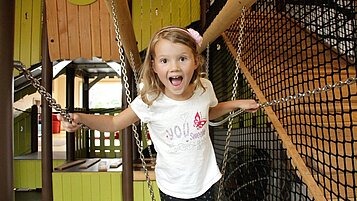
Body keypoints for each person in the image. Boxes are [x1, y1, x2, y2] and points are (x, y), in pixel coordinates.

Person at [58, 26, 260, 201]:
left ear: (196, 61)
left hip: (205, 180)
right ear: (154, 66)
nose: (174, 67)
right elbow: (113, 123)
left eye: (182, 58)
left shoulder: (204, 88)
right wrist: (81, 118)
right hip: (171, 186)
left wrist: (237, 104)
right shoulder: (150, 100)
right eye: (165, 61)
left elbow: (207, 113)